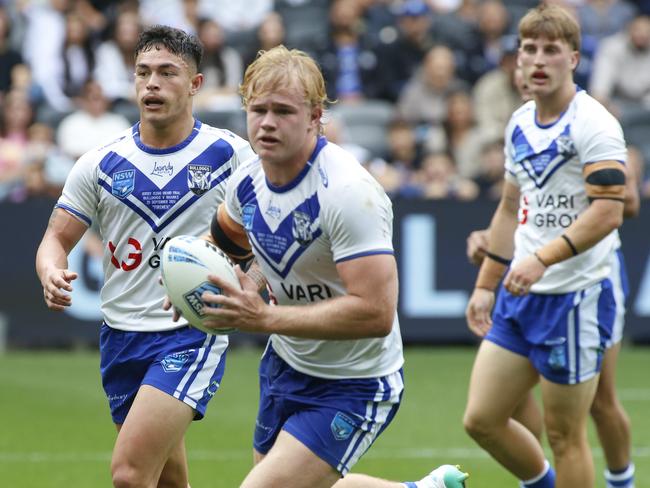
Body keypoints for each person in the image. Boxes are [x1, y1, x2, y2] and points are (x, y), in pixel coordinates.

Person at [192, 45, 468, 488]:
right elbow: (225, 243)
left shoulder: (348, 192)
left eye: (283, 111)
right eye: (257, 109)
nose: (266, 122)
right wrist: (185, 277)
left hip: (355, 382)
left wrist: (265, 317)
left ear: (315, 117)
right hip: (287, 363)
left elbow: (376, 313)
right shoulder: (247, 179)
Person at [35, 25, 255, 488]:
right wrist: (51, 270)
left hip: (189, 330)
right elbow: (55, 238)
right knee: (168, 481)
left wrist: (251, 281)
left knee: (130, 476)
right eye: (143, 72)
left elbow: (264, 234)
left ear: (195, 84)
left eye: (167, 73)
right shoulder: (100, 162)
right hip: (120, 333)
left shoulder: (229, 155)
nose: (152, 83)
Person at [463, 5, 629, 488]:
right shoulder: (518, 122)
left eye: (551, 50)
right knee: (482, 419)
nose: (538, 59)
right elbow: (509, 207)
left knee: (565, 433)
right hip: (520, 295)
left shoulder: (594, 123)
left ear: (573, 58)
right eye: (529, 48)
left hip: (575, 297)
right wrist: (484, 286)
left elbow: (609, 211)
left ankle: (621, 477)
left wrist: (541, 257)